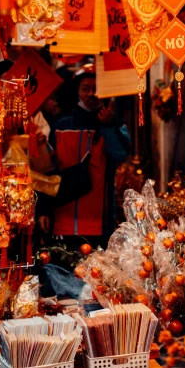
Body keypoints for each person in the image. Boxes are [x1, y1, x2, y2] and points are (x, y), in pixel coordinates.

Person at [37, 69, 130, 244]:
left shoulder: (115, 125)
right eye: (85, 88)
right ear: (77, 91)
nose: (90, 94)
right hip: (63, 218)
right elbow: (48, 171)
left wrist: (109, 127)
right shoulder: (60, 126)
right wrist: (43, 209)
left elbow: (121, 154)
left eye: (96, 88)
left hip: (99, 220)